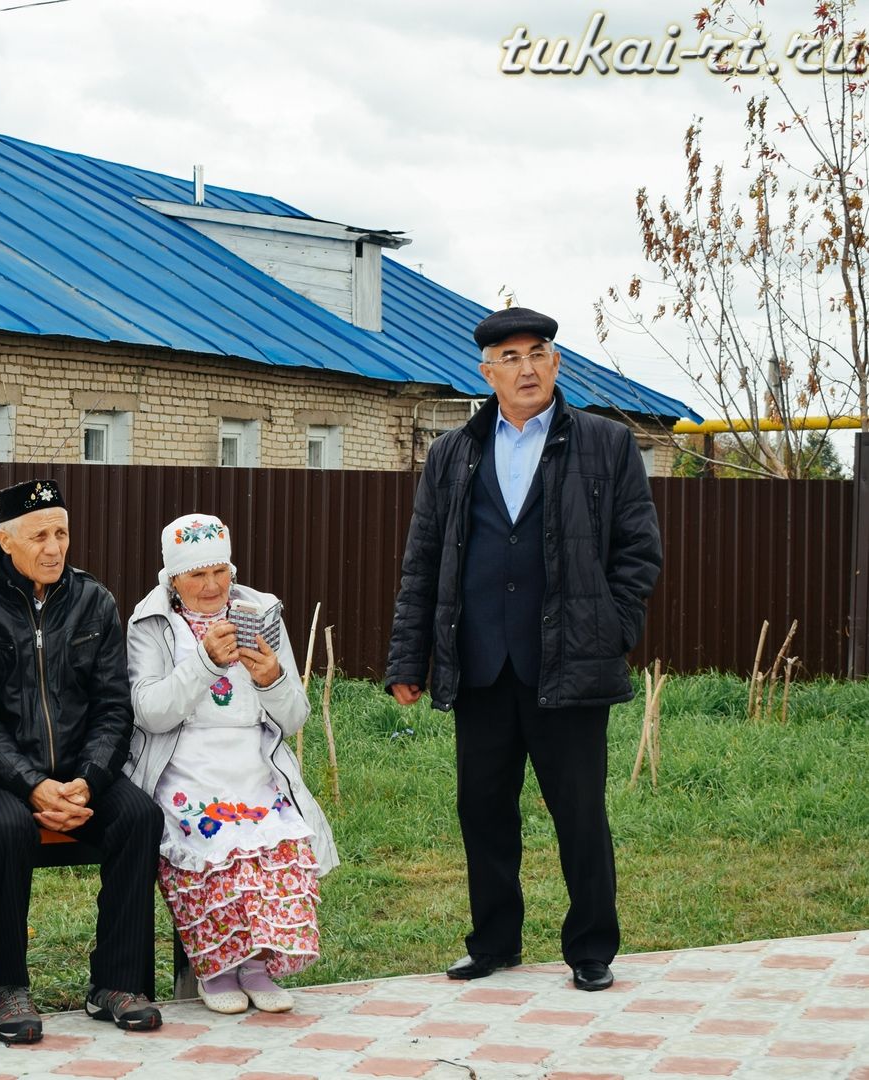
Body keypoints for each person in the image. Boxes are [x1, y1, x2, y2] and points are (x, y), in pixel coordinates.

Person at [385, 307, 663, 993]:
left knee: (579, 812)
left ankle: (592, 947)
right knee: (482, 808)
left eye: (538, 353)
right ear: (486, 372)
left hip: (569, 663)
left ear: (556, 363)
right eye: (509, 358)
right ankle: (494, 941)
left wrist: (611, 628)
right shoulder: (453, 453)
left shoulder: (605, 443)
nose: (527, 368)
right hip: (480, 663)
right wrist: (406, 658)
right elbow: (422, 560)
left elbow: (639, 552)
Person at [0, 479, 164, 1042]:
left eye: (62, 533)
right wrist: (31, 787)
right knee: (6, 827)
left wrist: (87, 783)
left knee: (139, 816)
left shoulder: (96, 600)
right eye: (39, 534)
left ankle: (116, 981)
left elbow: (114, 707)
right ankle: (8, 986)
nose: (54, 547)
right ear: (4, 539)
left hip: (81, 770)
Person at [124, 513, 338, 1014]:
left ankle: (257, 964)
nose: (211, 585)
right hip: (184, 763)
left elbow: (293, 718)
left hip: (252, 760)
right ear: (172, 578)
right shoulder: (152, 623)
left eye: (220, 571)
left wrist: (271, 678)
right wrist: (204, 662)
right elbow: (150, 713)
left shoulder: (259, 612)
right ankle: (216, 966)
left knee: (279, 842)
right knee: (211, 842)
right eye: (196, 574)